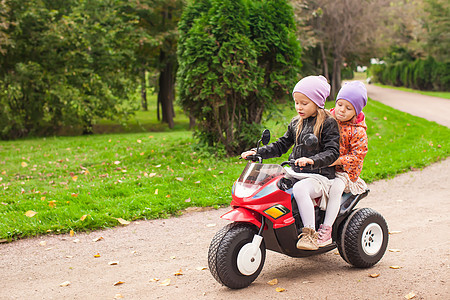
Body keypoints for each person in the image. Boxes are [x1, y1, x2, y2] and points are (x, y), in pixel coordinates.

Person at [241, 75, 340, 250]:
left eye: (304, 103)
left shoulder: (328, 123)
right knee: (272, 184)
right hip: (296, 172)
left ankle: (310, 234)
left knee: (301, 189)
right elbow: (281, 145)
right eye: (296, 102)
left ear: (317, 102)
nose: (299, 107)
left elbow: (332, 152)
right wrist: (258, 152)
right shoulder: (296, 122)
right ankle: (280, 227)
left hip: (320, 177)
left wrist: (312, 160)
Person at [317, 81, 369, 247]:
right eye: (340, 104)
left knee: (336, 189)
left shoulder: (357, 130)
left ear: (356, 111)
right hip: (323, 163)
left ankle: (327, 229)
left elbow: (357, 156)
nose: (341, 110)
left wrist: (337, 161)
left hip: (344, 171)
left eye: (348, 108)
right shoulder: (327, 117)